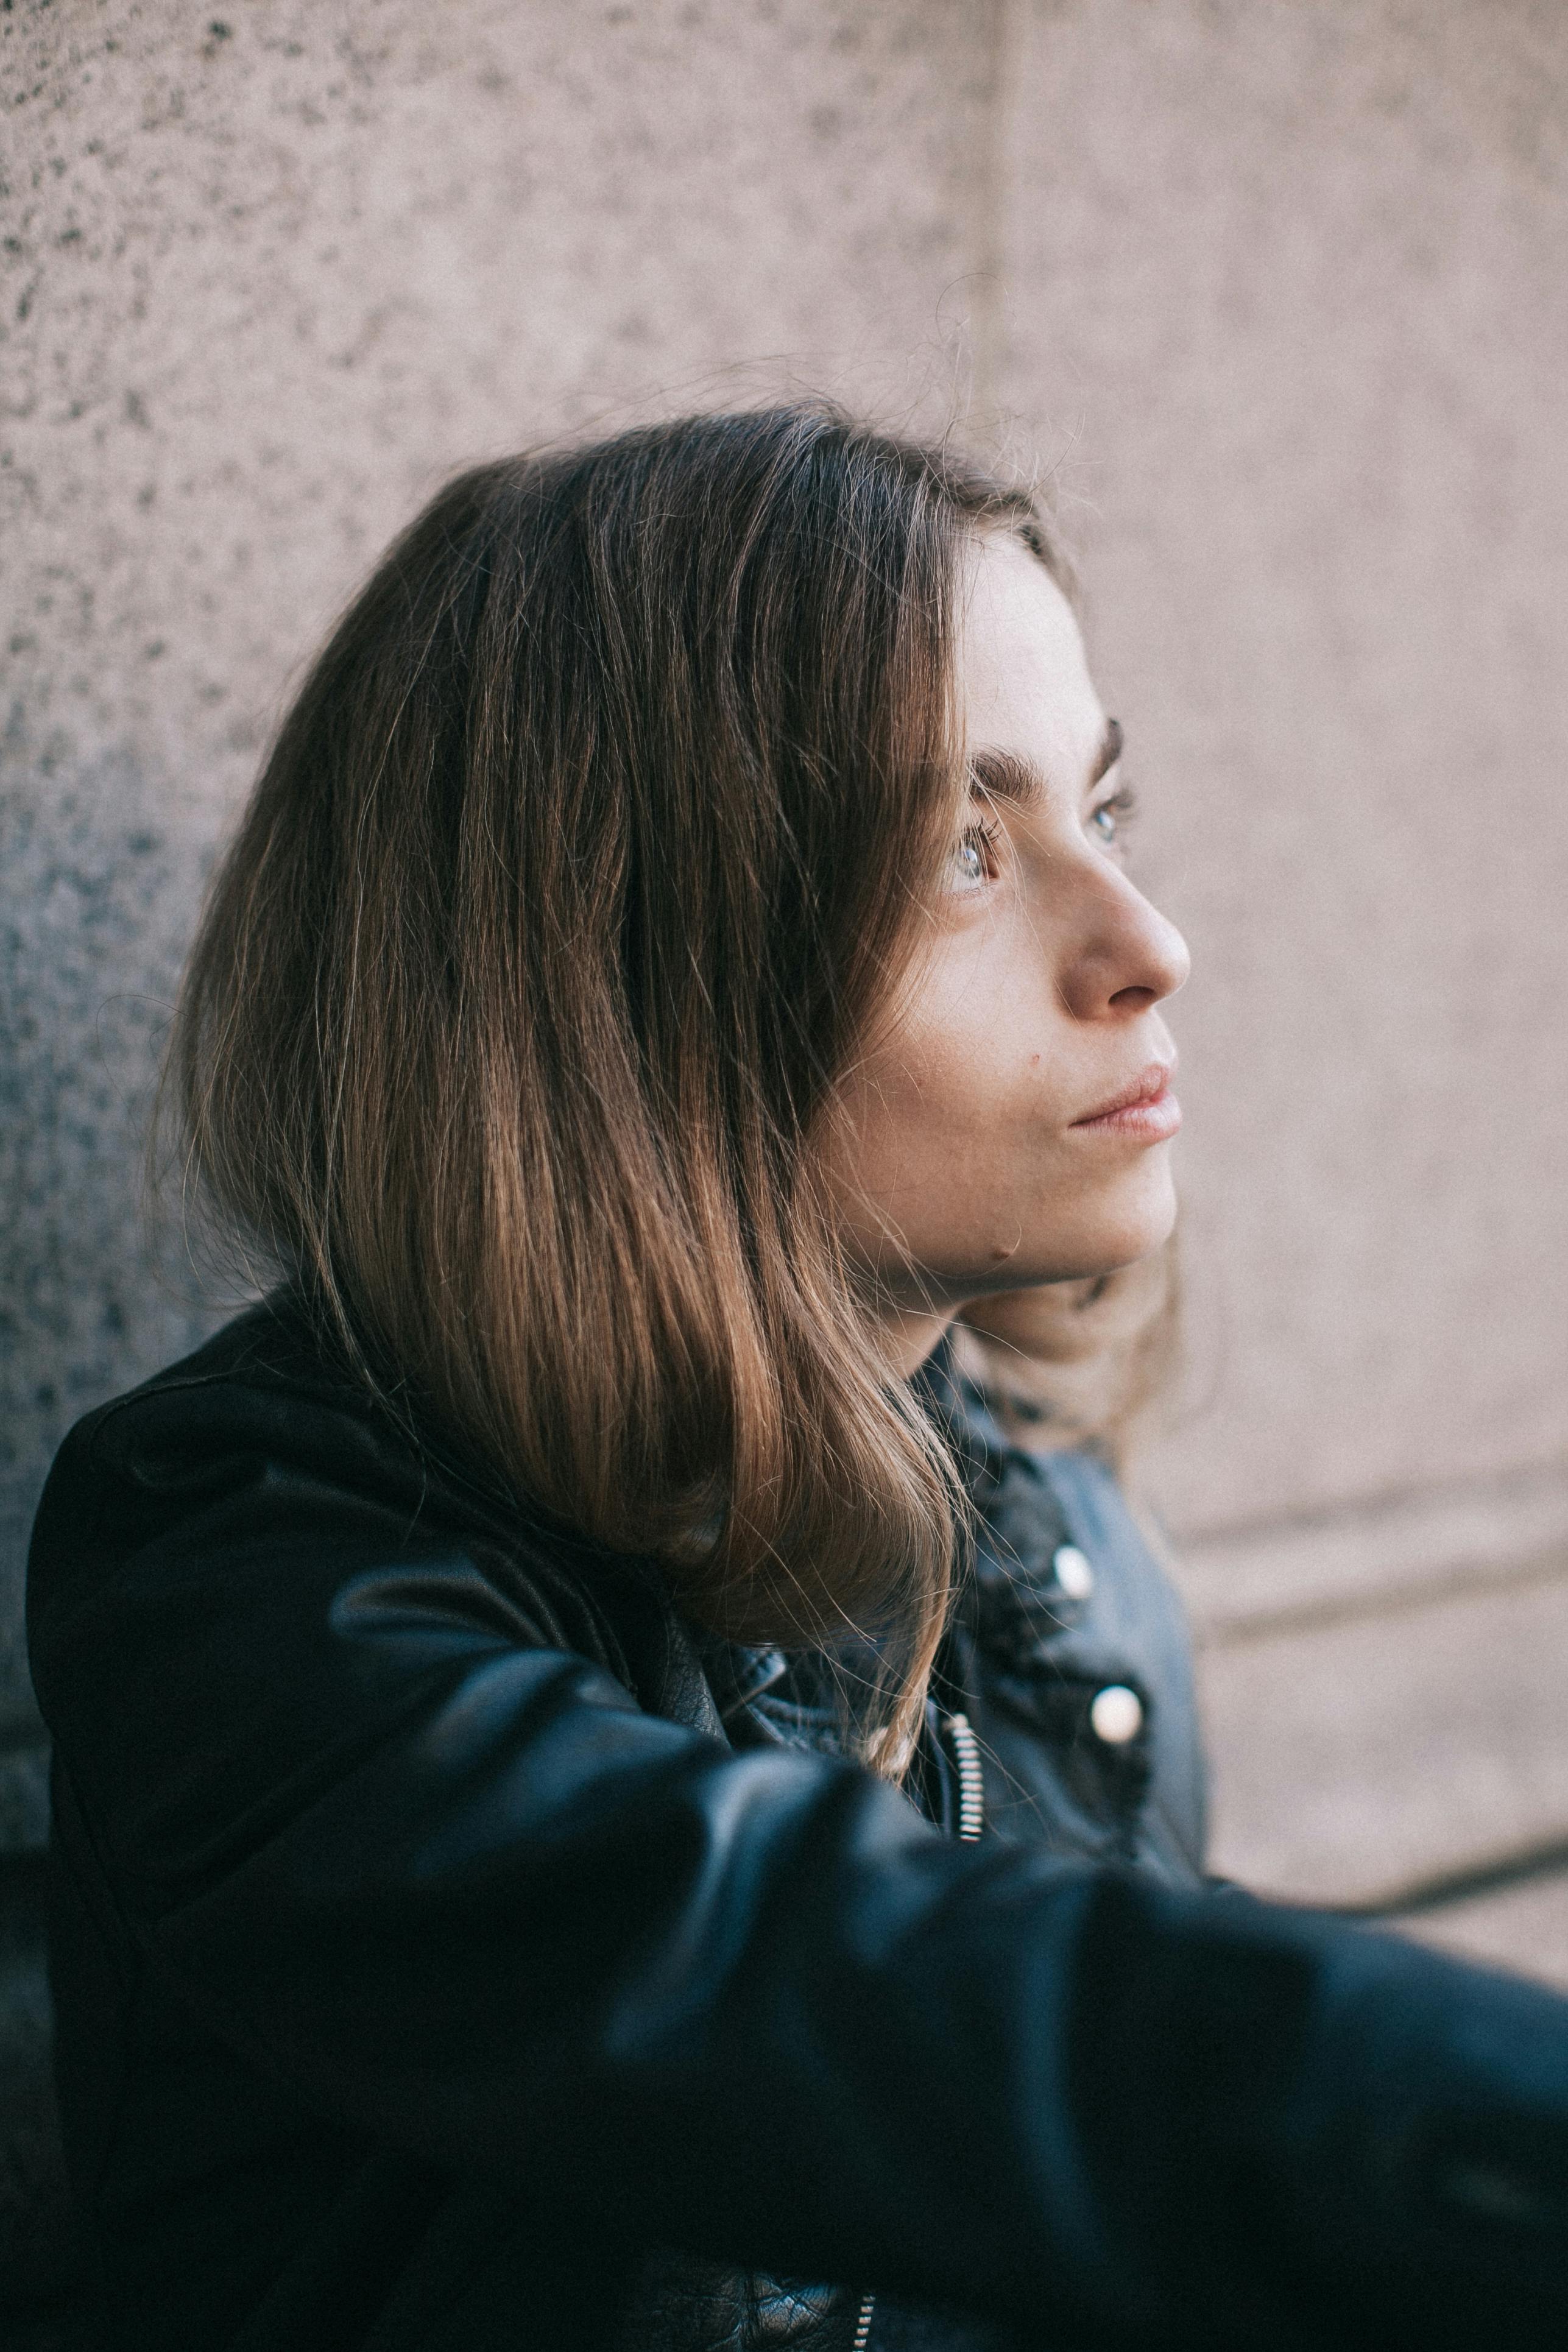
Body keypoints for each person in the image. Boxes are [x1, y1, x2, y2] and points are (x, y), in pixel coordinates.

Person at [26, 406, 1568, 2352]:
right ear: (616, 976)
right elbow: (834, 1986)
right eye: (962, 852)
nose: (1148, 946)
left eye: (1105, 812)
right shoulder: (252, 1567)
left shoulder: (1030, 1514)